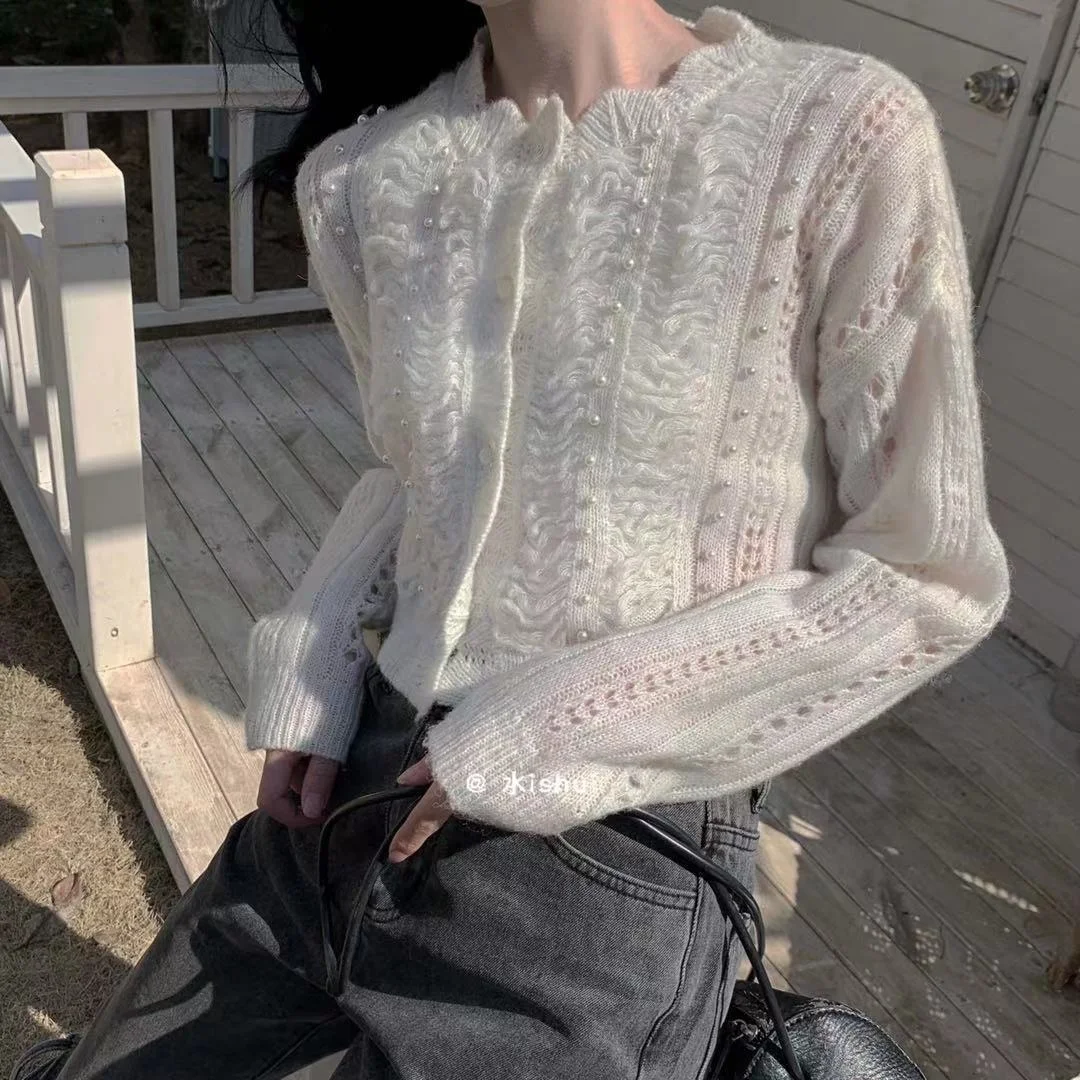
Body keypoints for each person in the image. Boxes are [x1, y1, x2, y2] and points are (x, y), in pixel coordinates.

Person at [13, 1, 1011, 1078]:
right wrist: (320, 651)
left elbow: (926, 572)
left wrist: (558, 727)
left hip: (610, 852)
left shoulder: (833, 136)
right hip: (348, 793)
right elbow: (413, 478)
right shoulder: (360, 177)